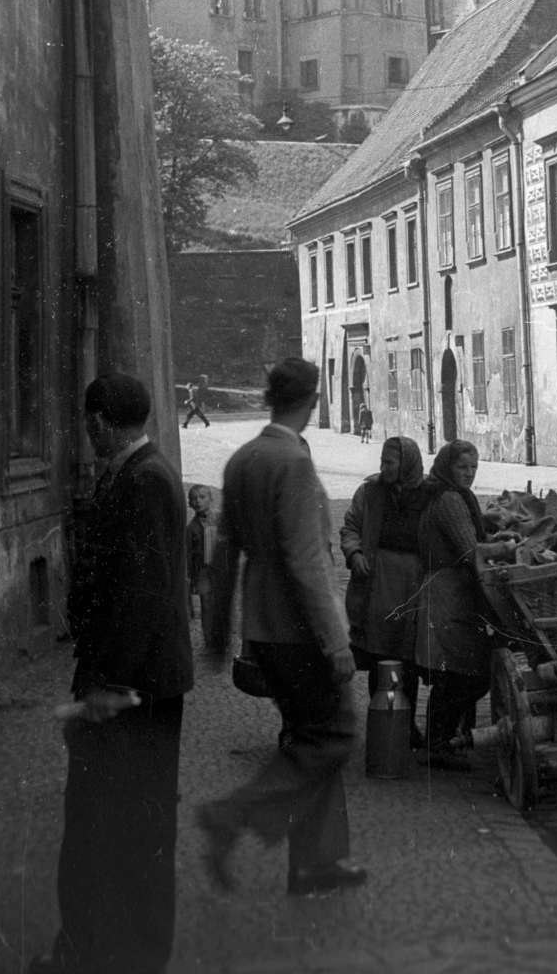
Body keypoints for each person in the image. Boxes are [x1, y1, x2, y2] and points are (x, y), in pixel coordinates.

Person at [31, 374, 193, 974]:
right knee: (108, 829)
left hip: (134, 692)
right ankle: (95, 950)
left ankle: (122, 955)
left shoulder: (145, 480)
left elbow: (145, 596)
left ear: (100, 421)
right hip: (131, 685)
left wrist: (108, 689)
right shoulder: (138, 472)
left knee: (128, 831)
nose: (86, 432)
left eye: (87, 422)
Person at [198, 357, 365, 898]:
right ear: (312, 402)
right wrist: (336, 640)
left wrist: (220, 635)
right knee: (334, 736)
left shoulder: (244, 458)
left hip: (263, 630)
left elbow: (224, 554)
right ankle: (231, 814)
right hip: (299, 633)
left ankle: (314, 863)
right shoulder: (291, 461)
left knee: (308, 739)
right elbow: (307, 561)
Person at [415, 440, 516, 770]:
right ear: (447, 466)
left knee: (459, 672)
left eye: (474, 468)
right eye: (462, 467)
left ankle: (443, 742)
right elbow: (470, 551)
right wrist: (509, 547)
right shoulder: (449, 500)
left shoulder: (451, 495)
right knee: (464, 673)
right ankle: (438, 745)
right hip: (448, 591)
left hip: (449, 589)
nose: (470, 474)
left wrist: (492, 541)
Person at [340, 436, 426, 747]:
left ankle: (406, 722)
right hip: (378, 584)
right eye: (382, 461)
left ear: (408, 464)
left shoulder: (427, 495)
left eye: (390, 462)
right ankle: (383, 722)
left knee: (409, 658)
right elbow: (350, 526)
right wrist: (355, 554)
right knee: (379, 656)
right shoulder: (370, 492)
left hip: (414, 586)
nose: (383, 467)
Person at [186, 483, 219, 647]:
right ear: (189, 503)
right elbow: (189, 556)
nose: (198, 501)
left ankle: (221, 636)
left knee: (220, 603)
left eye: (202, 497)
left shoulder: (220, 518)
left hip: (221, 569)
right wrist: (192, 579)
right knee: (206, 605)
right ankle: (209, 640)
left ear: (211, 500)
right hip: (203, 572)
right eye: (194, 498)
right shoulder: (191, 528)